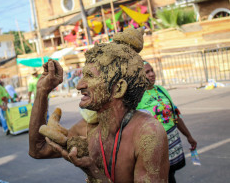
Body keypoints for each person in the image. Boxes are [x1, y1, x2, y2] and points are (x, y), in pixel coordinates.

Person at [29, 28, 169, 182]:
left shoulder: (148, 133)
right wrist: (42, 91)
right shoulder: (90, 129)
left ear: (119, 88)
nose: (80, 85)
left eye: (89, 76)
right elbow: (38, 150)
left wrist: (93, 171)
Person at [136, 61, 197, 183]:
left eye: (152, 70)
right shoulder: (136, 97)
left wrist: (189, 136)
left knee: (170, 173)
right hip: (154, 145)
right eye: (147, 72)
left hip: (172, 141)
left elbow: (175, 116)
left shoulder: (161, 90)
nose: (152, 74)